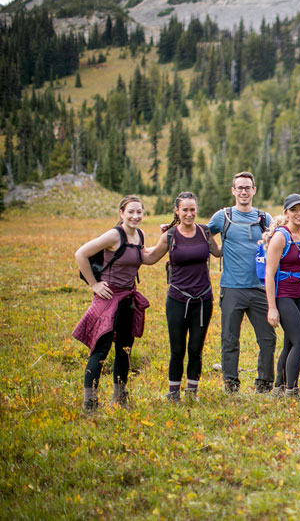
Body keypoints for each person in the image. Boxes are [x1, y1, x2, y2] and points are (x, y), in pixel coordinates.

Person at [73, 196, 155, 413]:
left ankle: (120, 398)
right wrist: (94, 284)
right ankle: (89, 403)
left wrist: (167, 239)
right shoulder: (113, 235)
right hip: (108, 299)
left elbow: (145, 258)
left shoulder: (140, 235)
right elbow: (80, 253)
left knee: (125, 349)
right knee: (100, 350)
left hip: (128, 299)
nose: (136, 216)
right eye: (131, 212)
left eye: (139, 212)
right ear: (121, 213)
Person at [146, 192, 221, 402]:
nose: (189, 214)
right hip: (178, 300)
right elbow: (151, 257)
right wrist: (127, 250)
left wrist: (250, 245)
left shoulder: (205, 232)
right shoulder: (170, 235)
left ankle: (192, 392)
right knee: (177, 348)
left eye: (192, 209)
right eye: (185, 210)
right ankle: (173, 394)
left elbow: (218, 252)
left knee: (196, 348)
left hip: (203, 300)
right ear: (177, 211)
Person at [207, 172, 276, 394]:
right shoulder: (223, 217)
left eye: (248, 187)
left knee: (267, 338)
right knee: (229, 339)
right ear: (233, 191)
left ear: (254, 190)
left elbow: (279, 240)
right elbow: (203, 233)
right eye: (240, 188)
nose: (244, 191)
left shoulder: (264, 218)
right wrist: (216, 251)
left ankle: (264, 383)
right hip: (232, 288)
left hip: (259, 288)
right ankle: (231, 383)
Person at [264, 194, 300, 400]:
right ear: (286, 212)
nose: (299, 213)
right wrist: (272, 308)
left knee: (290, 343)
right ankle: (292, 390)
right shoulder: (281, 236)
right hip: (283, 296)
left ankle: (278, 388)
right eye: (294, 209)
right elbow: (269, 274)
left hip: (299, 295)